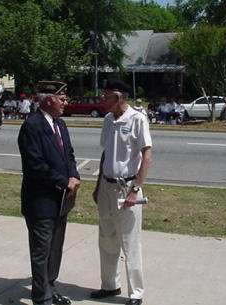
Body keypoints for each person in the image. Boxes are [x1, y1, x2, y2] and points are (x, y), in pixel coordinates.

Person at [18, 81, 80, 305]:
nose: (66, 103)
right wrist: (64, 181)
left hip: (61, 200)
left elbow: (69, 155)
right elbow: (35, 165)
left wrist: (74, 176)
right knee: (41, 252)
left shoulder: (60, 124)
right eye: (62, 99)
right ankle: (40, 298)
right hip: (41, 201)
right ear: (48, 100)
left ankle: (50, 288)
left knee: (55, 249)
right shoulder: (32, 126)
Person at [90, 79, 152, 305]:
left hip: (126, 189)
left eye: (105, 96)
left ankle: (136, 293)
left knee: (130, 243)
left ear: (118, 98)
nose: (101, 99)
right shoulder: (107, 120)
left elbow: (147, 156)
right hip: (106, 187)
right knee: (106, 239)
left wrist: (135, 189)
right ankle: (109, 285)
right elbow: (106, 154)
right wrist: (98, 186)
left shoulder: (137, 119)